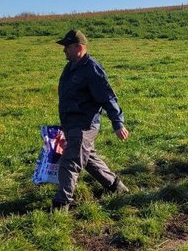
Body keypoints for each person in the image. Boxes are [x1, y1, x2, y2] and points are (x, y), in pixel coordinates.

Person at [53, 29, 130, 210]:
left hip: (84, 125)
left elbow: (107, 97)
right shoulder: (71, 66)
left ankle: (60, 204)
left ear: (79, 48)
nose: (64, 50)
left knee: (69, 161)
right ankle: (117, 187)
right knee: (88, 159)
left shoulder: (91, 68)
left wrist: (118, 123)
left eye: (67, 47)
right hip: (71, 123)